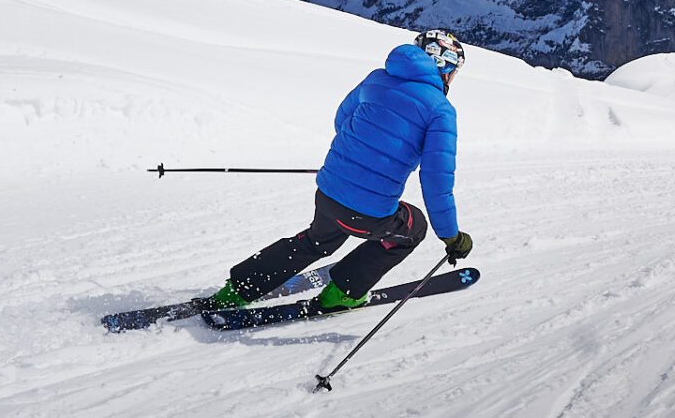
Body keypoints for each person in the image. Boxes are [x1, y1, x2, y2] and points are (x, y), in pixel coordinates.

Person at [203, 29, 474, 314]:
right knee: (413, 226)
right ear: (444, 67)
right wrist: (451, 237)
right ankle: (343, 292)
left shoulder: (377, 79)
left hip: (328, 193)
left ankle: (236, 290)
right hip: (369, 214)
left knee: (315, 241)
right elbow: (436, 182)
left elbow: (342, 120)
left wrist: (359, 156)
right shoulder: (441, 111)